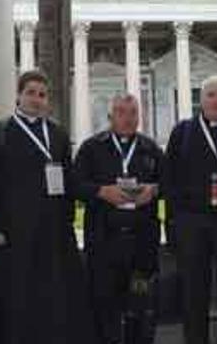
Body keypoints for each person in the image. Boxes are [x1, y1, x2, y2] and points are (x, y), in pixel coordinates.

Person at [0, 70, 94, 344]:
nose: (37, 100)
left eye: (42, 94)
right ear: (18, 96)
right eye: (30, 93)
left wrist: (66, 223)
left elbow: (66, 178)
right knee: (18, 297)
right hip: (13, 231)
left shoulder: (58, 134)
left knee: (50, 297)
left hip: (52, 232)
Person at [163, 76, 217, 344]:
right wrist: (173, 223)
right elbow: (170, 180)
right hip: (192, 223)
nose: (216, 100)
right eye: (211, 95)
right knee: (194, 293)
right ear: (200, 99)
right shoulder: (182, 132)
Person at [76, 94, 163, 344]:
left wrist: (153, 191)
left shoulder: (151, 148)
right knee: (105, 310)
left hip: (141, 249)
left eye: (133, 113)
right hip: (104, 246)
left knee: (141, 308)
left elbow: (169, 182)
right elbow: (76, 185)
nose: (128, 118)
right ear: (110, 116)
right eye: (122, 112)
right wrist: (102, 191)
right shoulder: (92, 148)